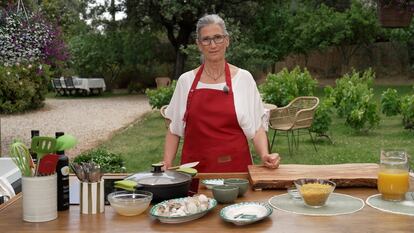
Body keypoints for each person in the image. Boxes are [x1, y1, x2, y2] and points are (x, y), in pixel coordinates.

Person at [162, 14, 280, 173]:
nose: (213, 45)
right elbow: (174, 129)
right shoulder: (186, 81)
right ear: (199, 44)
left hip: (236, 172)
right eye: (206, 39)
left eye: (218, 37)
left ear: (227, 40)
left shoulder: (243, 79)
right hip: (194, 173)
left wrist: (265, 155)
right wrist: (167, 163)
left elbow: (257, 127)